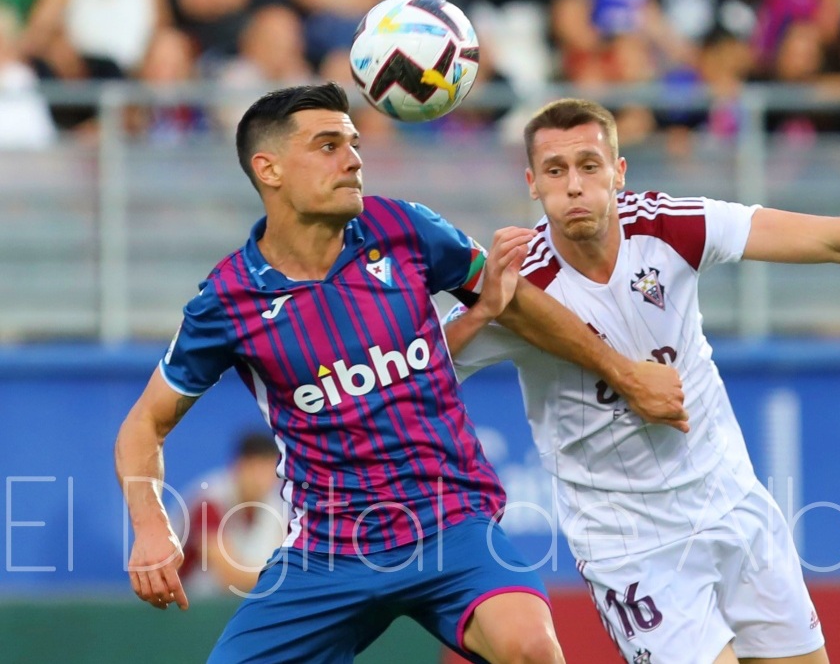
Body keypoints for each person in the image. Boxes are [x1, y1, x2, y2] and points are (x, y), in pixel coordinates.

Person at [444, 98, 840, 664]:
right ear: (531, 183)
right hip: (630, 546)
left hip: (733, 509)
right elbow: (414, 371)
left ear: (619, 172)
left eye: (589, 165)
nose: (574, 185)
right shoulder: (515, 282)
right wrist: (481, 316)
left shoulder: (673, 226)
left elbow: (838, 240)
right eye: (555, 171)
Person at [113, 82, 688, 664]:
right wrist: (152, 524)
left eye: (354, 143)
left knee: (532, 649)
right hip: (328, 549)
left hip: (452, 524)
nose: (354, 158)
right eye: (328, 145)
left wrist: (625, 372)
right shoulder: (227, 300)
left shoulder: (404, 228)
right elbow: (144, 427)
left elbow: (515, 302)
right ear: (270, 169)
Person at [175, 431, 288, 597]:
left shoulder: (276, 506)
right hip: (187, 607)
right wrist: (286, 578)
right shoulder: (209, 501)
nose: (262, 480)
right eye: (256, 469)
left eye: (270, 470)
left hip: (239, 607)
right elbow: (229, 576)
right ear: (238, 466)